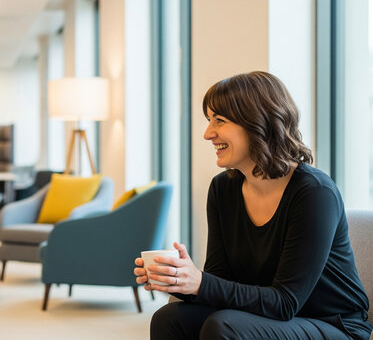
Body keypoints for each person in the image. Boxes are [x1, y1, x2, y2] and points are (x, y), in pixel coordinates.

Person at [133, 71, 372, 340]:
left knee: (224, 326)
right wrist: (178, 281)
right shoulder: (223, 189)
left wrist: (199, 282)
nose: (207, 133)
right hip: (271, 316)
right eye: (209, 120)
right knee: (170, 318)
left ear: (257, 123)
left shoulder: (314, 193)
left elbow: (285, 302)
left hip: (333, 325)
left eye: (219, 121)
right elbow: (220, 279)